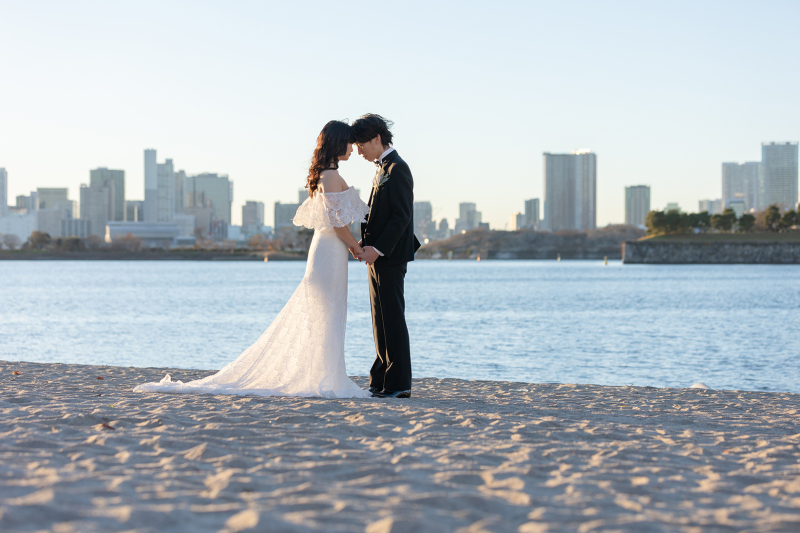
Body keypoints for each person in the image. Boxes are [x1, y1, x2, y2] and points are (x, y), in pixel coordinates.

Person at [133, 120, 370, 398]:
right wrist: (355, 246)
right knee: (326, 311)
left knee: (331, 311)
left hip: (333, 249)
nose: (353, 148)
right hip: (330, 249)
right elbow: (336, 221)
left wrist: (353, 245)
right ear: (337, 142)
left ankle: (327, 374)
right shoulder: (329, 176)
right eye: (349, 143)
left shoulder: (329, 175)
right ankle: (325, 377)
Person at [350, 114, 420, 399]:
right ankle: (380, 379)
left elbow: (401, 217)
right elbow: (378, 215)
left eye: (361, 144)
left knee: (392, 318)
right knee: (379, 319)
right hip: (376, 256)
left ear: (376, 138)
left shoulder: (398, 168)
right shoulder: (382, 168)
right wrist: (365, 244)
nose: (358, 151)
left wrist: (377, 249)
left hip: (389, 256)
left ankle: (398, 383)